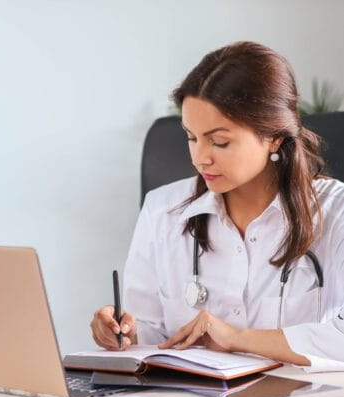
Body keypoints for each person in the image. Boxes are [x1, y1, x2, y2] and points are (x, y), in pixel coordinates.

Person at [90, 41, 344, 372]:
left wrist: (237, 337)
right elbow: (151, 341)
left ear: (274, 136)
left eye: (219, 142)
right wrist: (122, 332)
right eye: (191, 137)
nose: (200, 158)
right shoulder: (161, 211)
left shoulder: (335, 212)